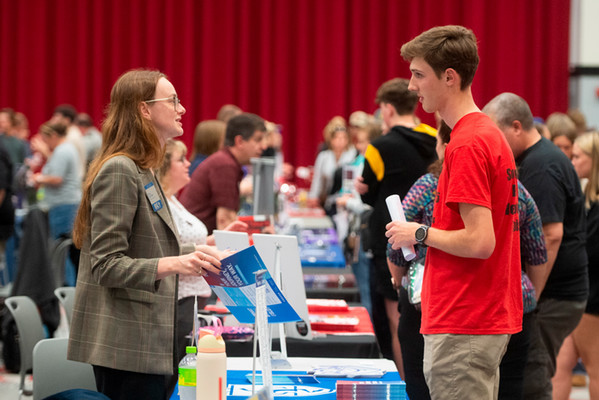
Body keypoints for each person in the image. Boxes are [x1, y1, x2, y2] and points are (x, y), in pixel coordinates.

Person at [67, 69, 225, 400]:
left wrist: (200, 251)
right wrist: (177, 263)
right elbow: (106, 265)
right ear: (144, 109)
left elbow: (152, 242)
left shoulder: (143, 169)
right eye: (173, 101)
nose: (182, 109)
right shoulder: (120, 169)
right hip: (125, 344)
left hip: (146, 337)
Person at [386, 26, 522, 400]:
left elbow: (480, 241)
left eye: (419, 74)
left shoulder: (467, 143)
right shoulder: (484, 134)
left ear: (450, 77)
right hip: (475, 316)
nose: (411, 86)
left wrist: (418, 233)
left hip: (465, 317)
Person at [388, 121, 547, 400]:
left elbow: (397, 243)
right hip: (509, 305)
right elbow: (537, 250)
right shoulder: (515, 187)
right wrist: (524, 292)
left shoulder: (430, 185)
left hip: (457, 306)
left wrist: (401, 277)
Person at [483, 92, 588, 400]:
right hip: (555, 290)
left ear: (516, 127)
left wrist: (532, 295)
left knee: (532, 376)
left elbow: (550, 235)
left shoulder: (541, 166)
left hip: (553, 294)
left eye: (496, 133)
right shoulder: (534, 159)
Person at [358, 77, 437, 378]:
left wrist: (363, 189)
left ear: (388, 110)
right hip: (430, 236)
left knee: (397, 321)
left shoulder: (378, 146)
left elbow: (368, 190)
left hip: (390, 239)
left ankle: (406, 385)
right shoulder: (434, 136)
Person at [156, 139, 246, 384]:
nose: (188, 164)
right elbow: (168, 248)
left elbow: (186, 242)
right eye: (180, 159)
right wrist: (208, 249)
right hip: (178, 299)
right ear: (163, 166)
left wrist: (214, 240)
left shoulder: (173, 200)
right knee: (178, 377)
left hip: (192, 296)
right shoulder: (160, 203)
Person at [552, 131, 599, 400]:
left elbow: (589, 251)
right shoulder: (585, 199)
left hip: (593, 300)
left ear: (594, 161)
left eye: (578, 156)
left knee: (595, 368)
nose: (572, 161)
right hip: (578, 294)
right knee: (559, 368)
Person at [180, 113, 266, 234]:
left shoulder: (225, 161)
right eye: (258, 140)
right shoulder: (225, 165)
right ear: (239, 141)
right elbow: (225, 222)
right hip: (198, 243)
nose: (264, 146)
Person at [308, 116, 356, 211]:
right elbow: (317, 180)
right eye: (337, 138)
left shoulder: (352, 155)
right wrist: (313, 197)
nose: (340, 141)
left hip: (347, 202)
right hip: (329, 200)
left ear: (347, 140)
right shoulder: (324, 156)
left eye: (343, 138)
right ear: (331, 140)